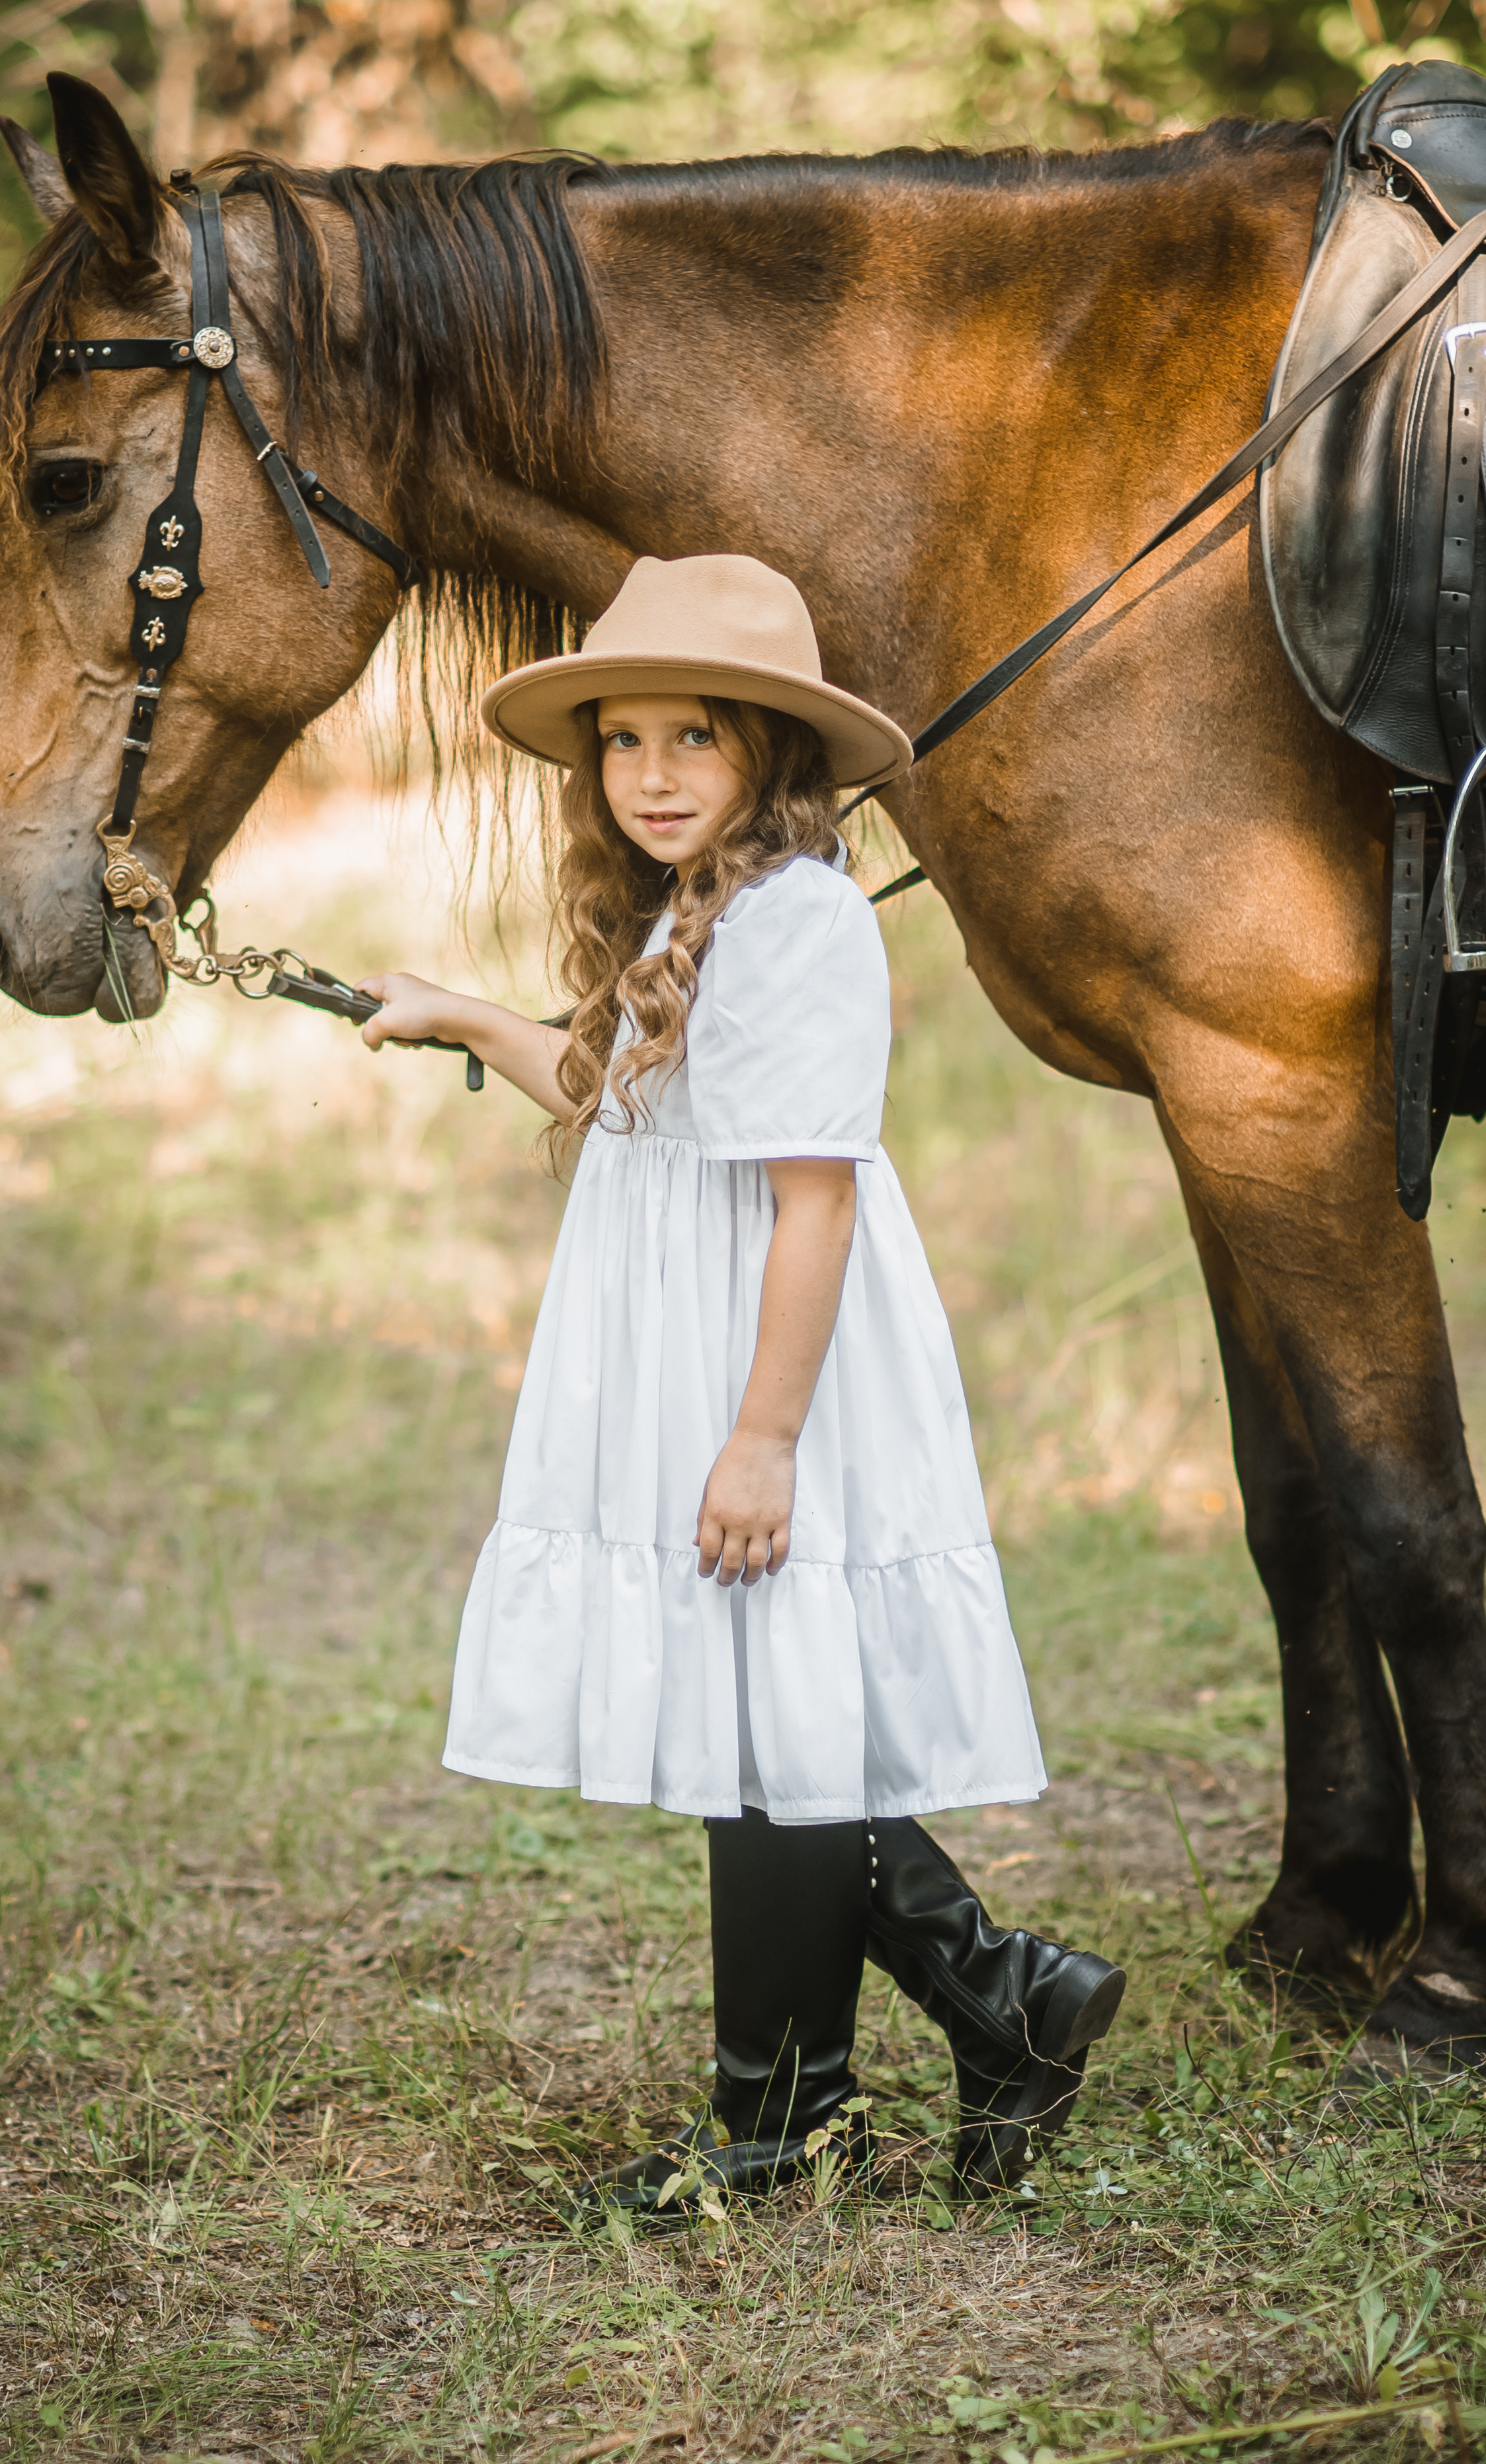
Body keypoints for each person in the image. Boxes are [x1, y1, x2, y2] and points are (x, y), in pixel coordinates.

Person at [356, 553, 1124, 2216]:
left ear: (766, 753)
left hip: (771, 1360)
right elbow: (618, 1090)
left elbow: (810, 1199)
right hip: (700, 1349)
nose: (648, 775)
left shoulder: (794, 926)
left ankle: (811, 2108)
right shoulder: (694, 907)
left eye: (691, 740)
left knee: (773, 1733)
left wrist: (762, 1439)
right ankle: (970, 2017)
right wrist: (452, 1017)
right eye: (622, 741)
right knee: (758, 1728)